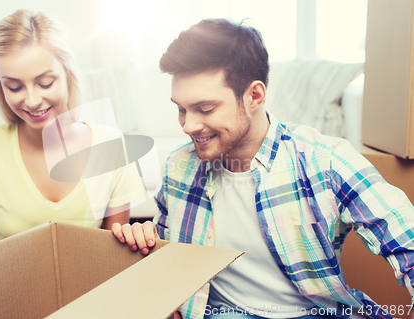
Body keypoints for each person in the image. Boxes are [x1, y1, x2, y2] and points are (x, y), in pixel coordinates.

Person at [112, 19, 414, 319]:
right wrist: (144, 240)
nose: (188, 126)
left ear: (254, 96)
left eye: (205, 109)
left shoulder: (326, 161)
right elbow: (169, 263)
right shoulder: (179, 167)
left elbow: (406, 240)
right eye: (181, 109)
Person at [0, 10, 143, 263]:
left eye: (45, 83)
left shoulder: (110, 146)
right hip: (8, 295)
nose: (32, 101)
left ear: (68, 75)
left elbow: (114, 251)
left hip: (86, 295)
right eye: (14, 87)